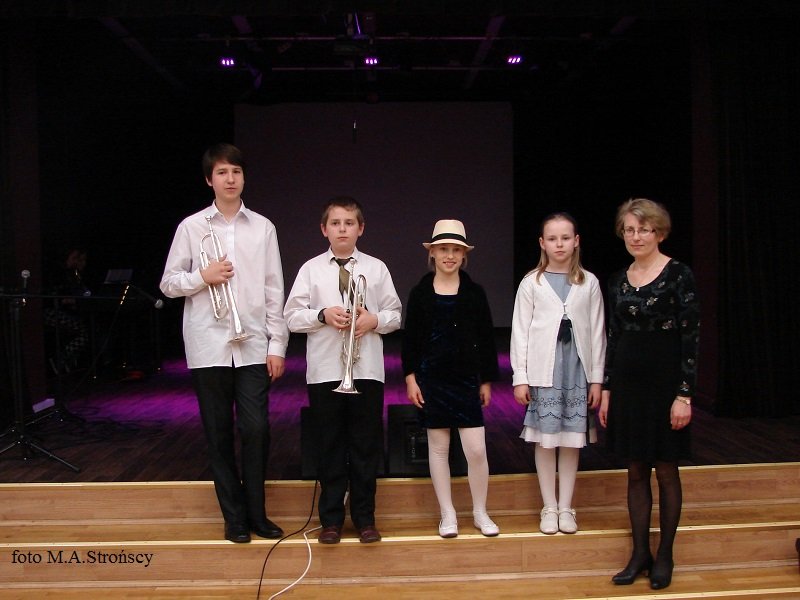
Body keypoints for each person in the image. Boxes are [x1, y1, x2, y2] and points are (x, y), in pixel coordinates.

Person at [159, 143, 289, 544]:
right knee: (217, 434)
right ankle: (234, 519)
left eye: (236, 171)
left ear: (243, 177)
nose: (230, 178)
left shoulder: (263, 227)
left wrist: (277, 345)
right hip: (209, 344)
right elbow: (168, 283)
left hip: (251, 343)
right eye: (222, 172)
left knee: (256, 430)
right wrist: (203, 276)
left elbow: (274, 289)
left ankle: (257, 514)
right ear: (209, 180)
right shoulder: (191, 227)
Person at [284, 196, 402, 544]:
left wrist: (373, 320)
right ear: (324, 230)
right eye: (335, 223)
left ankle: (365, 519)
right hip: (324, 371)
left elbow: (395, 315)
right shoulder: (310, 269)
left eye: (349, 223)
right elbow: (291, 317)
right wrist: (321, 315)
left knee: (366, 446)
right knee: (330, 445)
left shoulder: (377, 268)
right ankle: (331, 520)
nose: (342, 229)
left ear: (360, 228)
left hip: (366, 370)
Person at [598, 198, 700, 590]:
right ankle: (640, 553)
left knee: (667, 469)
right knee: (636, 470)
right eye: (629, 230)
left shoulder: (679, 274)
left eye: (643, 229)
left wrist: (684, 395)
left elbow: (691, 338)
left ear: (659, 232)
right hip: (628, 386)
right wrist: (608, 388)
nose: (635, 236)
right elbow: (614, 336)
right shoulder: (617, 279)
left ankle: (666, 555)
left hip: (665, 385)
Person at [401, 219, 500, 538]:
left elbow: (486, 338)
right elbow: (410, 339)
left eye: (456, 250)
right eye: (443, 249)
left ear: (464, 255)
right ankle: (448, 514)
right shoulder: (420, 293)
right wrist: (410, 377)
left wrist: (485, 379)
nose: (449, 255)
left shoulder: (474, 293)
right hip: (432, 380)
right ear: (432, 253)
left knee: (476, 450)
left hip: (466, 380)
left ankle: (480, 511)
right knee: (438, 447)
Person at [510, 212, 606, 535]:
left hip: (576, 371)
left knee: (570, 440)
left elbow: (597, 333)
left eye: (565, 238)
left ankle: (566, 506)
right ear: (542, 243)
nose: (559, 244)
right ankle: (548, 506)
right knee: (546, 439)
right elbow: (520, 332)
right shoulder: (532, 283)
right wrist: (520, 377)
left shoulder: (589, 282)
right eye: (552, 239)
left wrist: (597, 378)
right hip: (545, 371)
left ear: (576, 241)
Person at [44, 248, 91, 373]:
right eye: (74, 258)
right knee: (84, 332)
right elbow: (56, 296)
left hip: (65, 311)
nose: (77, 262)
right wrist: (69, 300)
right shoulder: (57, 273)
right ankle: (61, 358)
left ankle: (68, 361)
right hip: (50, 312)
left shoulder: (73, 275)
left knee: (86, 327)